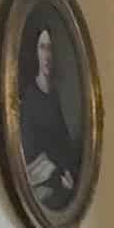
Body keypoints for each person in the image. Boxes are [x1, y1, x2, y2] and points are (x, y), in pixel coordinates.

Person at [19, 21, 80, 211]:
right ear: (35, 52)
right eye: (42, 47)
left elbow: (66, 146)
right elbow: (31, 157)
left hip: (63, 179)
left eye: (50, 48)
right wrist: (56, 174)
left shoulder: (56, 96)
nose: (47, 55)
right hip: (45, 183)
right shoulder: (29, 98)